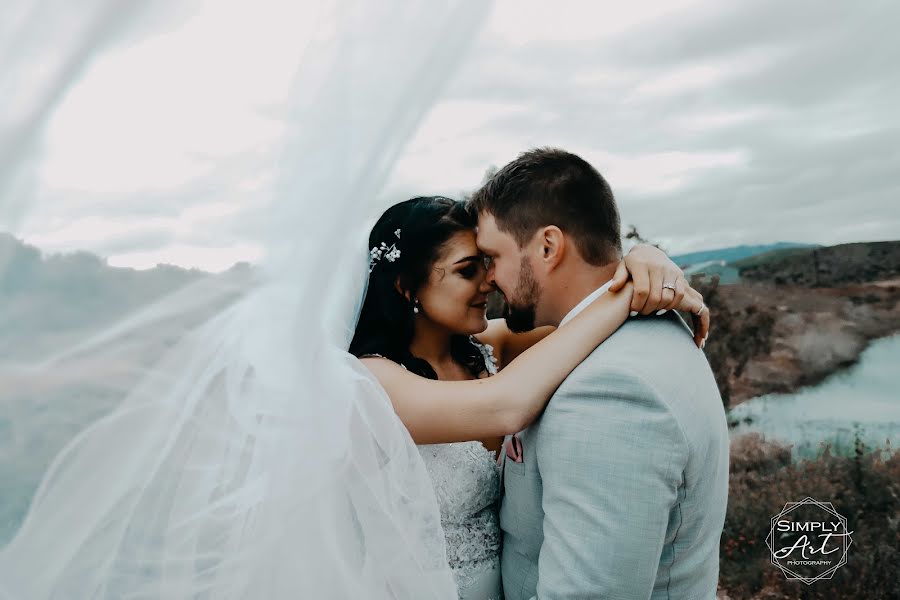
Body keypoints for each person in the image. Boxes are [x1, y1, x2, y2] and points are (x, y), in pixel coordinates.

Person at [350, 195, 710, 599]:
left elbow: (577, 319)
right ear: (405, 287)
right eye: (468, 270)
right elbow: (506, 407)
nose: (489, 280)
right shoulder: (370, 380)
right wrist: (628, 292)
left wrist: (644, 259)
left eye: (487, 262)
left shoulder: (485, 345)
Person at [468, 148, 729, 600]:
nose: (487, 279)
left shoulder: (610, 393)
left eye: (492, 256)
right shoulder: (647, 332)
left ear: (548, 247)